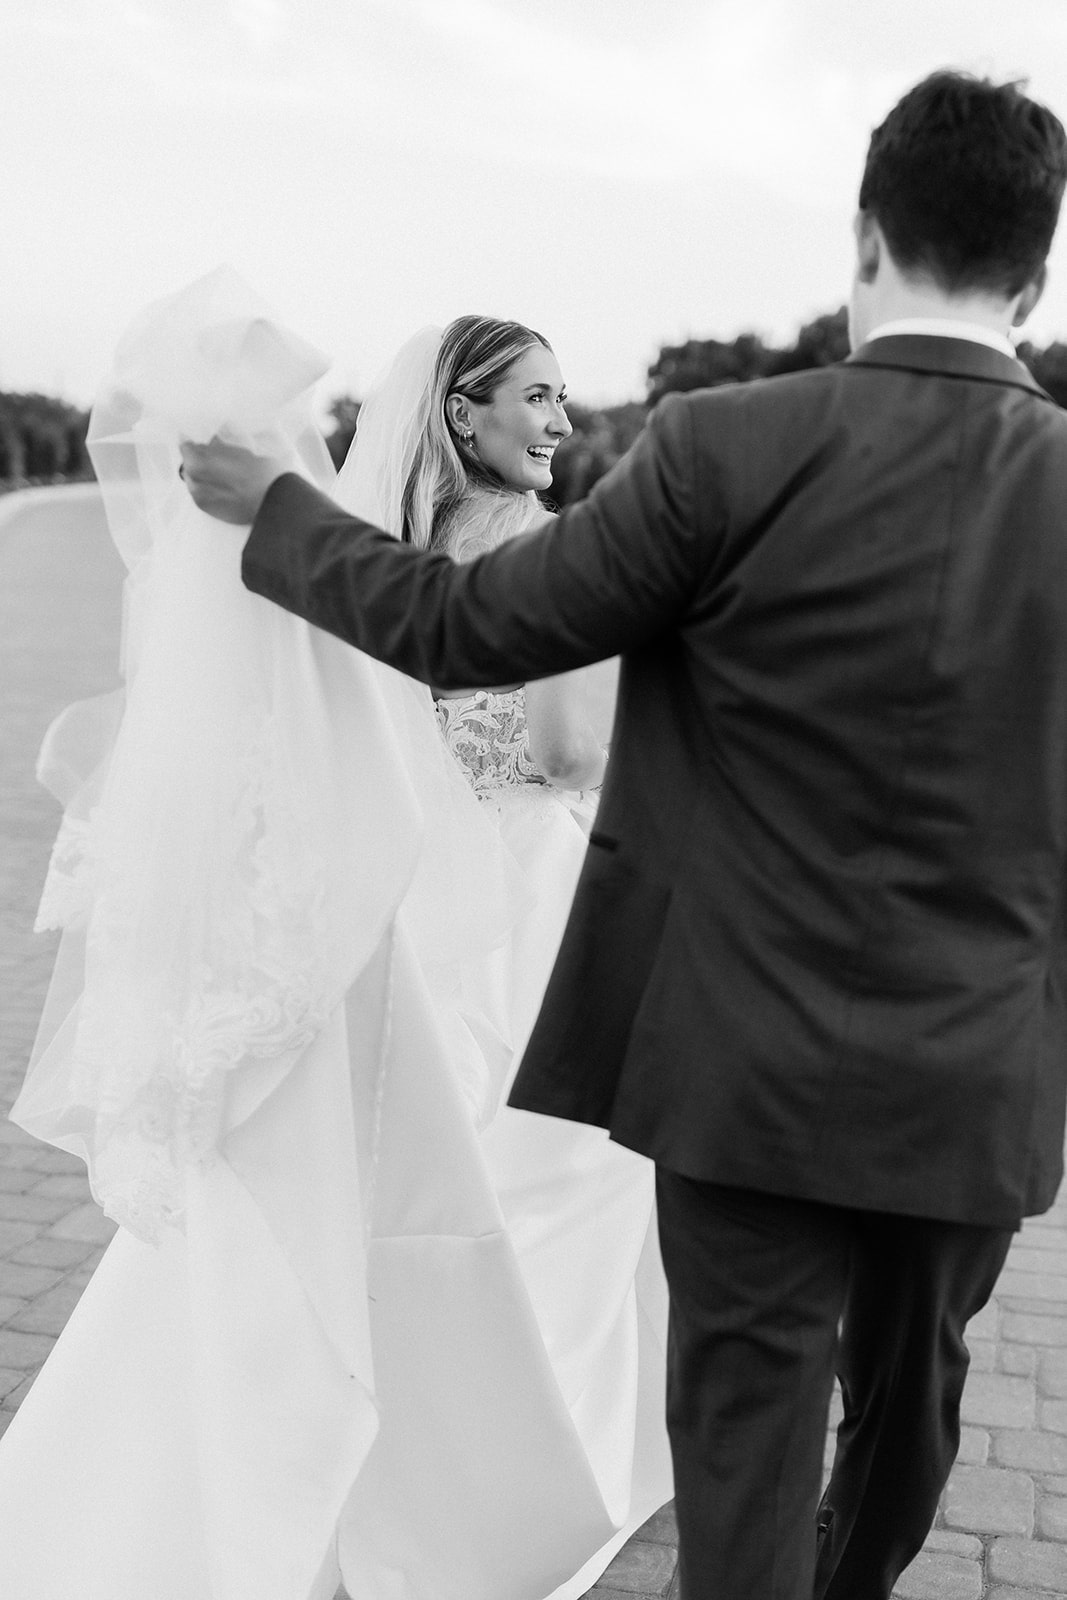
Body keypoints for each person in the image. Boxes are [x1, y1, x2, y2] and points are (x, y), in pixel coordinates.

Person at [183, 70, 1067, 1600]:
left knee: (741, 1440)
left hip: (736, 1063)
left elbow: (467, 623)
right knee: (914, 1413)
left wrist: (281, 508)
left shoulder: (723, 446)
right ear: (1040, 272)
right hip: (977, 1073)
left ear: (864, 238)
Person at [0, 279, 671, 1600]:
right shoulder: (555, 557)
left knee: (395, 1190)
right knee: (553, 1186)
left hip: (408, 906)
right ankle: (508, 1486)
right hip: (535, 898)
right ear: (464, 413)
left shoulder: (382, 566)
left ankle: (356, 1473)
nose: (560, 413)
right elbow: (570, 752)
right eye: (535, 392)